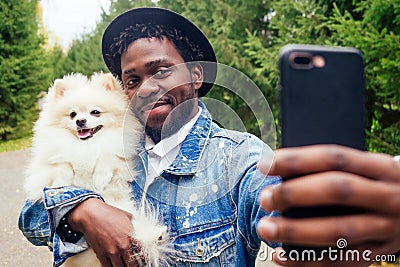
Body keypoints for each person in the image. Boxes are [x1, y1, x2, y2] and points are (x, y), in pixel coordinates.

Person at [18, 7, 400, 267]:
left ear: (196, 76)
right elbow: (31, 219)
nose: (148, 88)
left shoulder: (240, 159)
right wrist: (83, 210)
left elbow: (284, 218)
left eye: (162, 70)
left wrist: (350, 233)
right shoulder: (107, 148)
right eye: (132, 80)